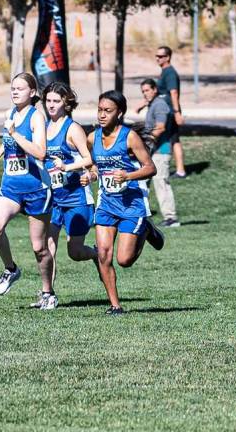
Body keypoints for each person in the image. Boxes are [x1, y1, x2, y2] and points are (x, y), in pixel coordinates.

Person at [82, 91, 162, 314]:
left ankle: (146, 230)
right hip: (107, 204)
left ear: (120, 113)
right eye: (100, 110)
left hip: (131, 205)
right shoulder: (92, 138)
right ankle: (115, 305)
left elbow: (150, 168)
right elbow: (94, 165)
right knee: (103, 255)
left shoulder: (129, 137)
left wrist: (127, 176)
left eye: (108, 111)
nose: (102, 115)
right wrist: (91, 175)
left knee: (124, 260)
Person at [0, 72, 54, 306]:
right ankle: (10, 268)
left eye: (20, 88)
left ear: (32, 93)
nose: (14, 91)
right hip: (11, 188)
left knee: (39, 248)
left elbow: (41, 152)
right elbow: (8, 142)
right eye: (12, 88)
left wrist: (14, 132)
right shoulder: (10, 113)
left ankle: (47, 293)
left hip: (36, 189)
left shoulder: (36, 117)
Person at [40, 82, 98, 309]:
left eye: (56, 101)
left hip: (76, 198)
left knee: (75, 252)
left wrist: (67, 166)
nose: (51, 105)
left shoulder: (72, 129)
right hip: (54, 199)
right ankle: (48, 294)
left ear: (66, 103)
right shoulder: (43, 127)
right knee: (47, 245)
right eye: (48, 101)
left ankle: (94, 254)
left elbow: (88, 160)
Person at [139, 46, 187, 179]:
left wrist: (177, 112)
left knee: (168, 138)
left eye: (160, 56)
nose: (157, 58)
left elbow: (174, 92)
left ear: (168, 57)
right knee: (174, 139)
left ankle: (169, 166)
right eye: (156, 56)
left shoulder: (170, 72)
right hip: (167, 110)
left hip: (169, 111)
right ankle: (180, 169)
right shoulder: (164, 72)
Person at [140, 78, 180, 227]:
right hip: (152, 151)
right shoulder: (153, 104)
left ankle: (171, 218)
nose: (145, 94)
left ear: (155, 89)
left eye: (147, 90)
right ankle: (140, 214)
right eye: (143, 91)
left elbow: (161, 127)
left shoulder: (160, 105)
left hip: (161, 150)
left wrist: (144, 142)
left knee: (161, 182)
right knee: (142, 182)